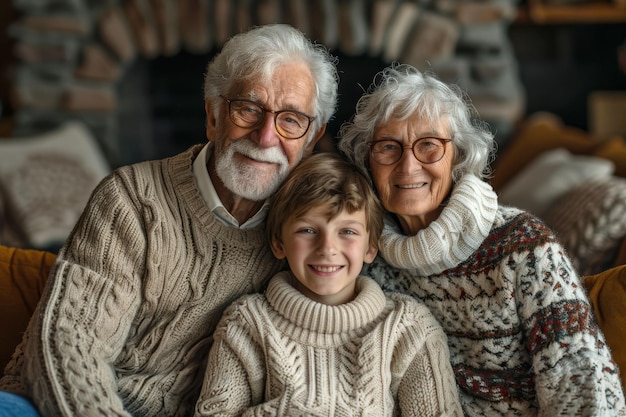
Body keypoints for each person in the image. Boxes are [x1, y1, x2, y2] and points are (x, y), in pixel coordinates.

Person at [0, 24, 339, 417]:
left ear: (312, 138)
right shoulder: (131, 199)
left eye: (291, 120)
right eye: (248, 109)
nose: (265, 137)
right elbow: (69, 345)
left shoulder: (307, 234)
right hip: (54, 404)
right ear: (213, 115)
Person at [337, 63, 626, 416]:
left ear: (457, 157)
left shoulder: (523, 246)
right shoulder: (360, 257)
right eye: (387, 147)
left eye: (428, 145)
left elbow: (583, 387)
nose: (408, 166)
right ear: (368, 160)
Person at [194, 152, 463, 416]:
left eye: (347, 232)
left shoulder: (409, 328)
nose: (327, 248)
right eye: (308, 230)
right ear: (278, 242)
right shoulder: (247, 323)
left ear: (371, 246)